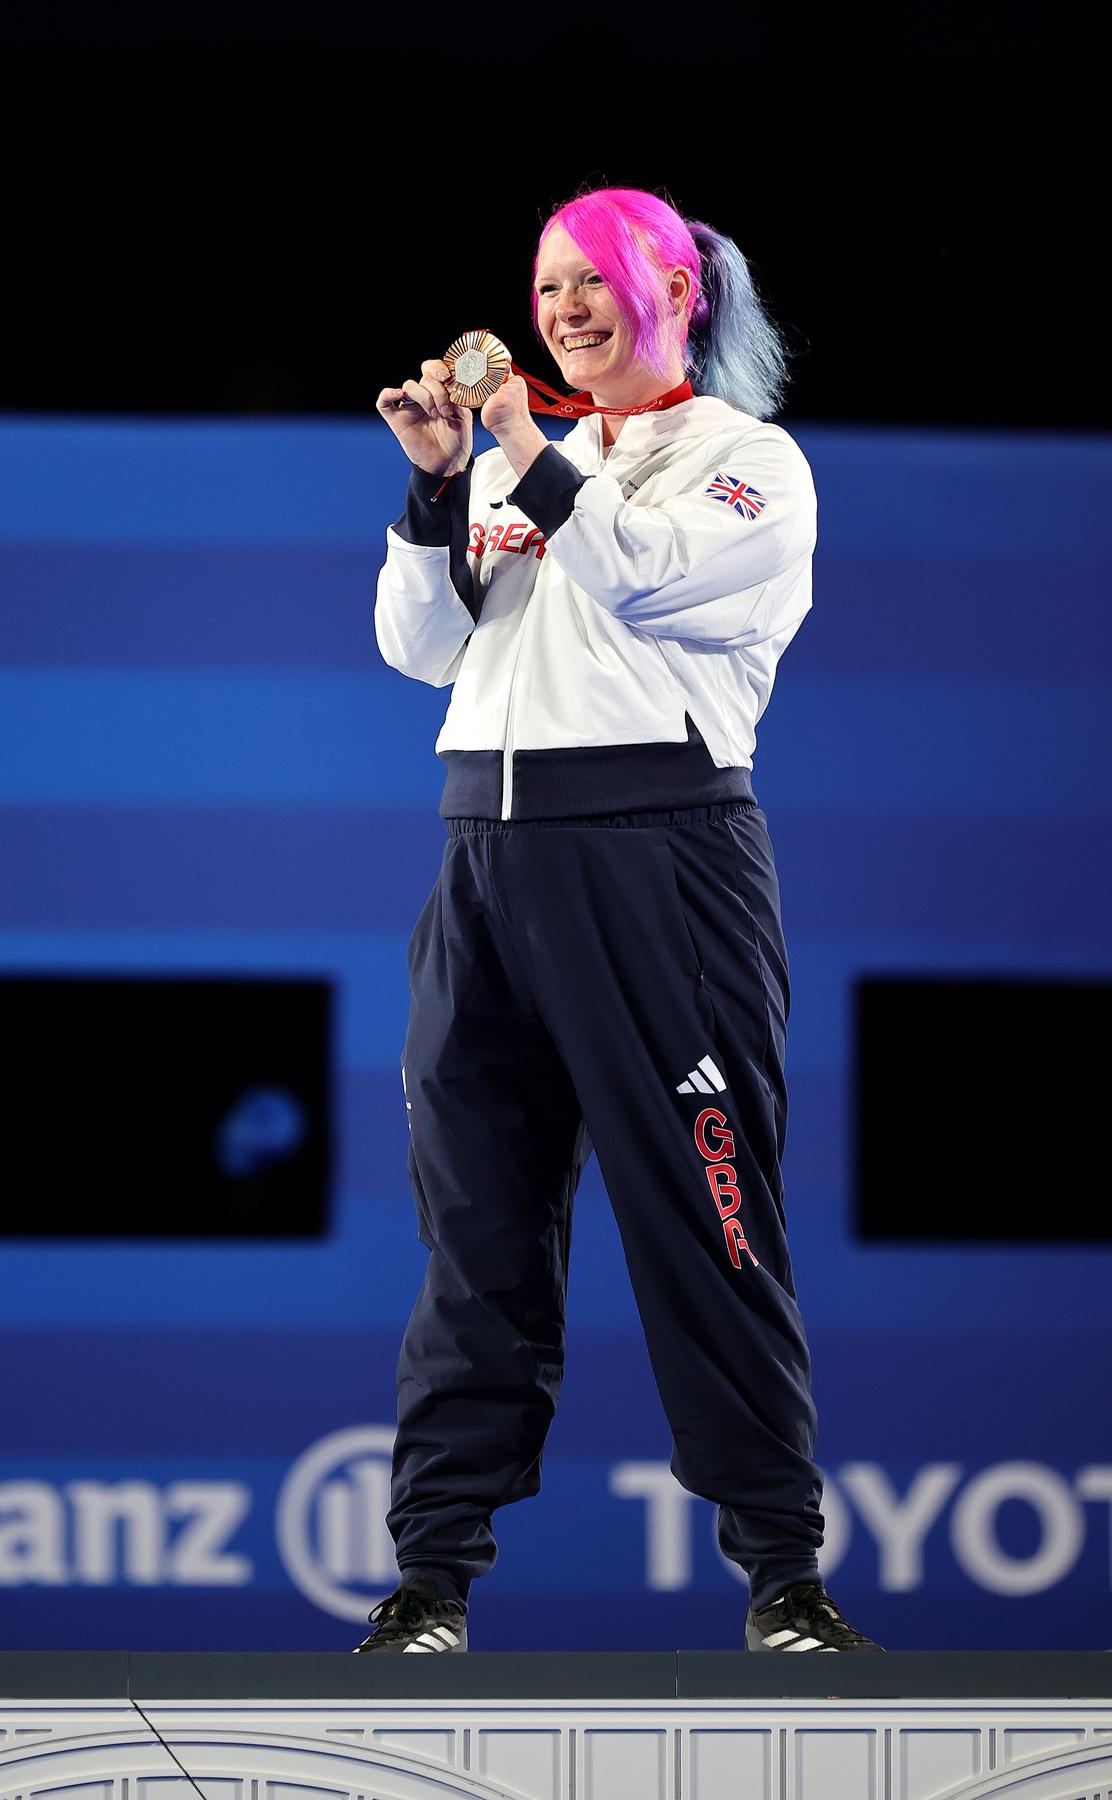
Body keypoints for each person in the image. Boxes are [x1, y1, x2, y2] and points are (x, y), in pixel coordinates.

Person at [356, 186, 881, 1655]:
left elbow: (643, 584)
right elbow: (418, 651)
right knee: (474, 1234)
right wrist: (434, 488)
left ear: (680, 293)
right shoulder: (533, 457)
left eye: (595, 279)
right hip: (484, 865)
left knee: (704, 1220)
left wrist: (519, 450)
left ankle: (784, 1577)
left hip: (660, 860)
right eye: (546, 284)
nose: (563, 306)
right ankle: (433, 1581)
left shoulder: (751, 467)